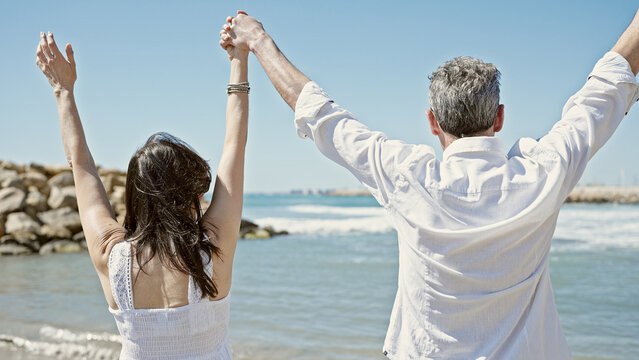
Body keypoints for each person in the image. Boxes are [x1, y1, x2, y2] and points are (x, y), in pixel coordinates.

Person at [219, 9, 639, 359]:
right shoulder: (543, 173)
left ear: (432, 122)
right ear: (499, 118)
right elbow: (605, 87)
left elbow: (318, 112)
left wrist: (258, 41)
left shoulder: (408, 177)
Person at [36, 26, 250, 359]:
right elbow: (234, 145)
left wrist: (62, 90)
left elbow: (81, 166)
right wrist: (239, 60)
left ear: (136, 198)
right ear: (188, 194)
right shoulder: (212, 251)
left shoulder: (113, 259)